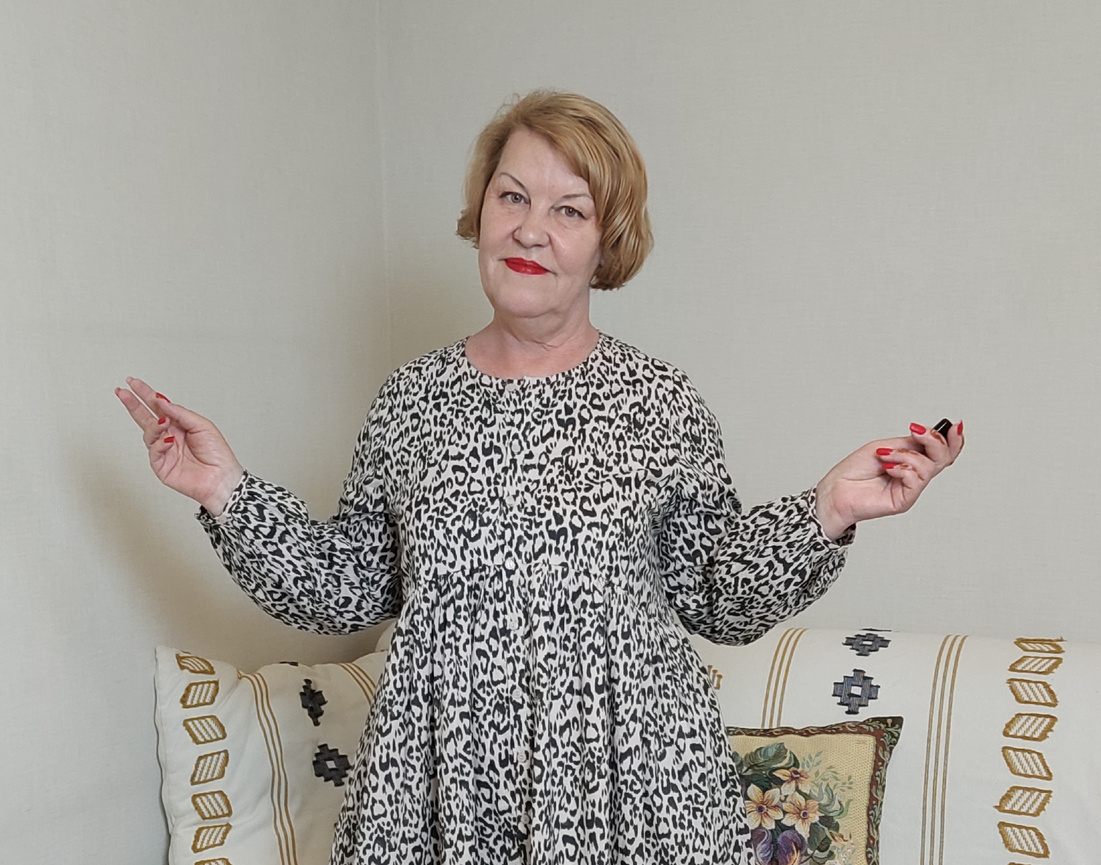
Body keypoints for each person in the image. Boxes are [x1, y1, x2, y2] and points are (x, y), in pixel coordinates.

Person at [117, 91, 963, 864]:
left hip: (635, 797)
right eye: (512, 197)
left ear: (606, 242)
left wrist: (828, 508)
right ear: (481, 212)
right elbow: (345, 588)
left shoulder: (659, 402)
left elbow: (718, 594)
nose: (530, 230)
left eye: (569, 210)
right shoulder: (411, 400)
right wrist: (225, 490)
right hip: (438, 792)